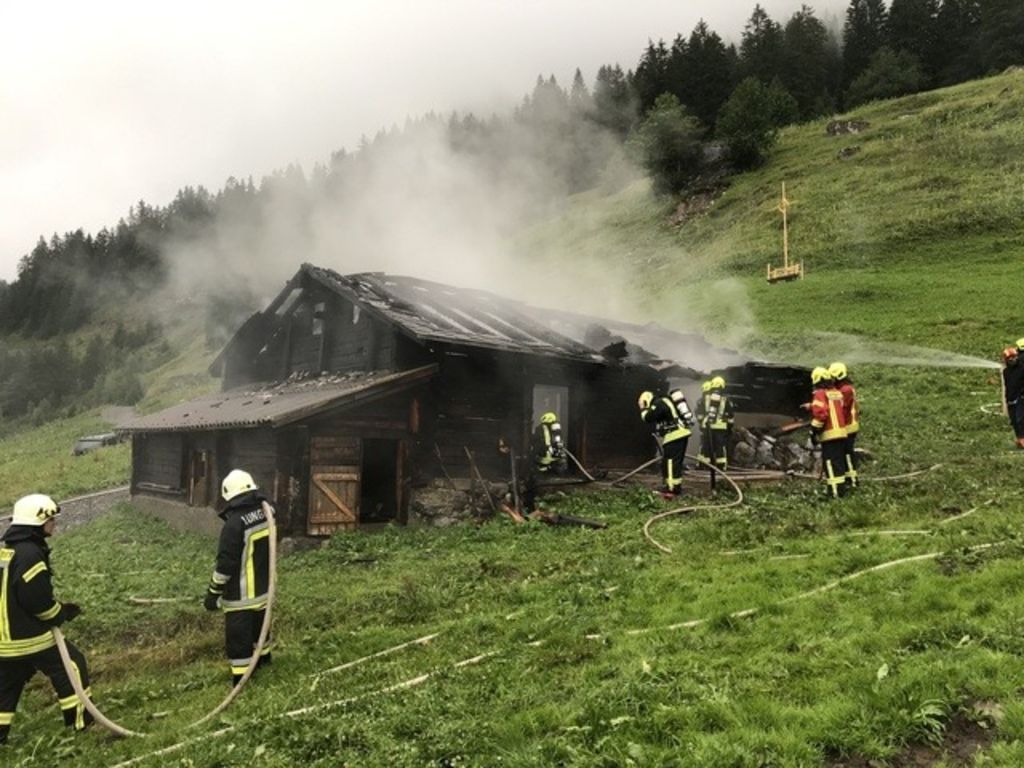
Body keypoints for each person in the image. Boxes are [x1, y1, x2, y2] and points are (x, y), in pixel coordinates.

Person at [0, 494, 91, 745]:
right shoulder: (30, 555)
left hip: (4, 640)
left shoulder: (8, 551)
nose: (54, 524)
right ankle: (81, 723)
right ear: (39, 521)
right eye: (51, 519)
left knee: (6, 687)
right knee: (71, 665)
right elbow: (36, 601)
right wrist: (61, 613)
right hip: (27, 637)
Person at [204, 470, 274, 686]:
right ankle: (264, 663)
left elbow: (226, 564)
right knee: (261, 631)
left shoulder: (234, 524)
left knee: (239, 641)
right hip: (264, 590)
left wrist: (213, 593)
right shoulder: (266, 511)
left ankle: (242, 680)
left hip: (240, 596)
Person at [638, 389, 693, 498]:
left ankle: (672, 489)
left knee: (671, 463)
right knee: (672, 463)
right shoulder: (664, 402)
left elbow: (648, 417)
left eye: (644, 402)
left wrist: (643, 409)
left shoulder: (659, 403)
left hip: (675, 435)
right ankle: (673, 486)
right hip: (677, 434)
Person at [810, 367, 850, 498]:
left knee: (830, 464)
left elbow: (821, 414)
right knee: (839, 463)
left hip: (830, 434)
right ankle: (841, 491)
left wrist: (814, 430)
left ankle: (833, 494)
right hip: (842, 433)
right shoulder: (836, 392)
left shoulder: (820, 393)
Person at [521, 412, 567, 515]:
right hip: (554, 458)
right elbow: (559, 445)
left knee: (533, 476)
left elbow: (538, 443)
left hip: (543, 457)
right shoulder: (557, 430)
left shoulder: (540, 429)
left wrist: (531, 453)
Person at [829, 361, 860, 485]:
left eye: (833, 377)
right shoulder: (844, 388)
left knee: (847, 453)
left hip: (849, 427)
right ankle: (849, 479)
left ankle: (852, 480)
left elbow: (838, 407)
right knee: (844, 453)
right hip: (846, 426)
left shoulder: (845, 390)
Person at [701, 376, 735, 474]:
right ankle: (721, 467)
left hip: (707, 427)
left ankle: (705, 466)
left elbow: (700, 412)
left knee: (706, 446)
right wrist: (729, 427)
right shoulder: (726, 399)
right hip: (720, 427)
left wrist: (701, 424)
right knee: (720, 446)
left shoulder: (705, 398)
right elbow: (731, 415)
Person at [1002, 346, 1024, 449]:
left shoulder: (1022, 368)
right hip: (1011, 398)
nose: (1012, 359)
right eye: (1010, 358)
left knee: (1021, 419)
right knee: (1014, 421)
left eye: (1014, 357)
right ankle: (1020, 439)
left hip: (1021, 397)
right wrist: (1007, 399)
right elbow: (1007, 386)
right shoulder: (1006, 372)